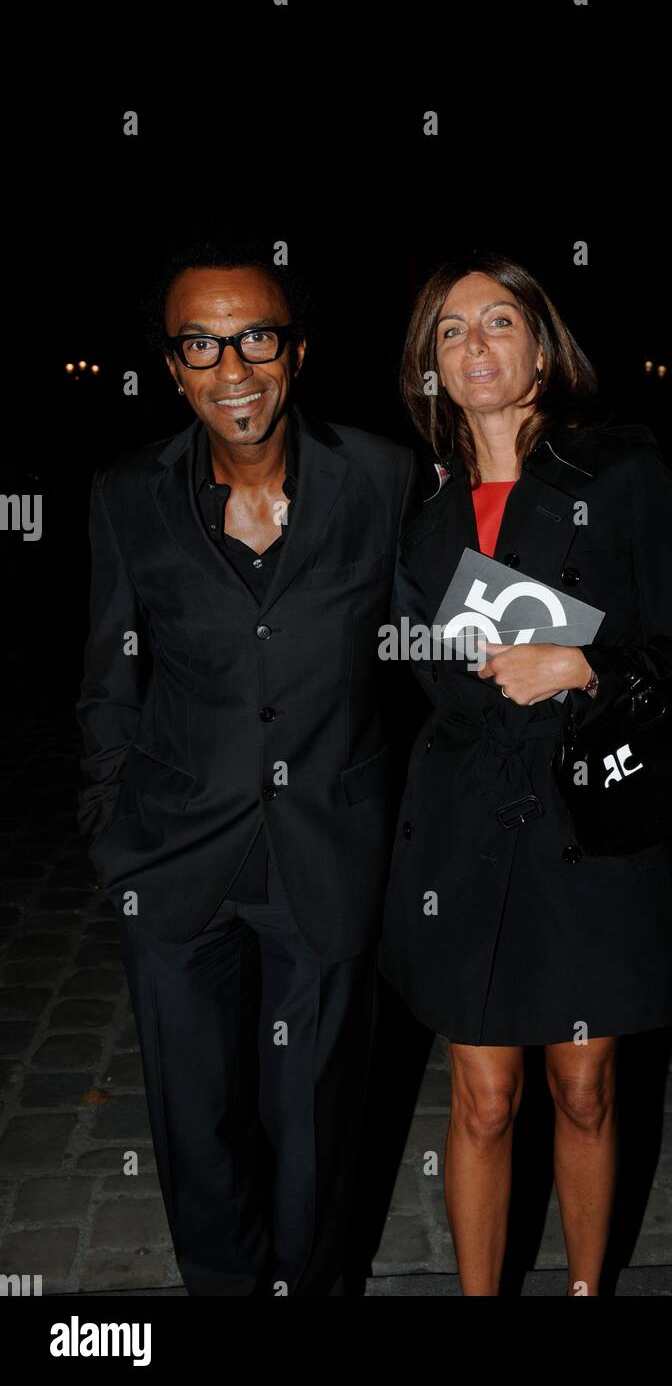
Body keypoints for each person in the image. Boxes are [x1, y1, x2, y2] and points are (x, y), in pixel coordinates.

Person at [75, 239, 420, 1295]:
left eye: (255, 336)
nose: (234, 368)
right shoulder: (127, 494)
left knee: (317, 1126)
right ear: (173, 367)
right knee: (195, 1121)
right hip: (177, 859)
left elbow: (446, 638)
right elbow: (108, 678)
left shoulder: (382, 475)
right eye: (201, 344)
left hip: (328, 848)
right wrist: (109, 831)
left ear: (296, 350)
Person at [378, 250, 672, 1296]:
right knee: (482, 1099)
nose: (473, 343)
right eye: (449, 329)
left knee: (583, 1087)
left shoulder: (621, 476)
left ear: (540, 345)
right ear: (429, 366)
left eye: (496, 321)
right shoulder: (417, 508)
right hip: (467, 830)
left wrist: (586, 660)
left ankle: (584, 1293)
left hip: (591, 822)